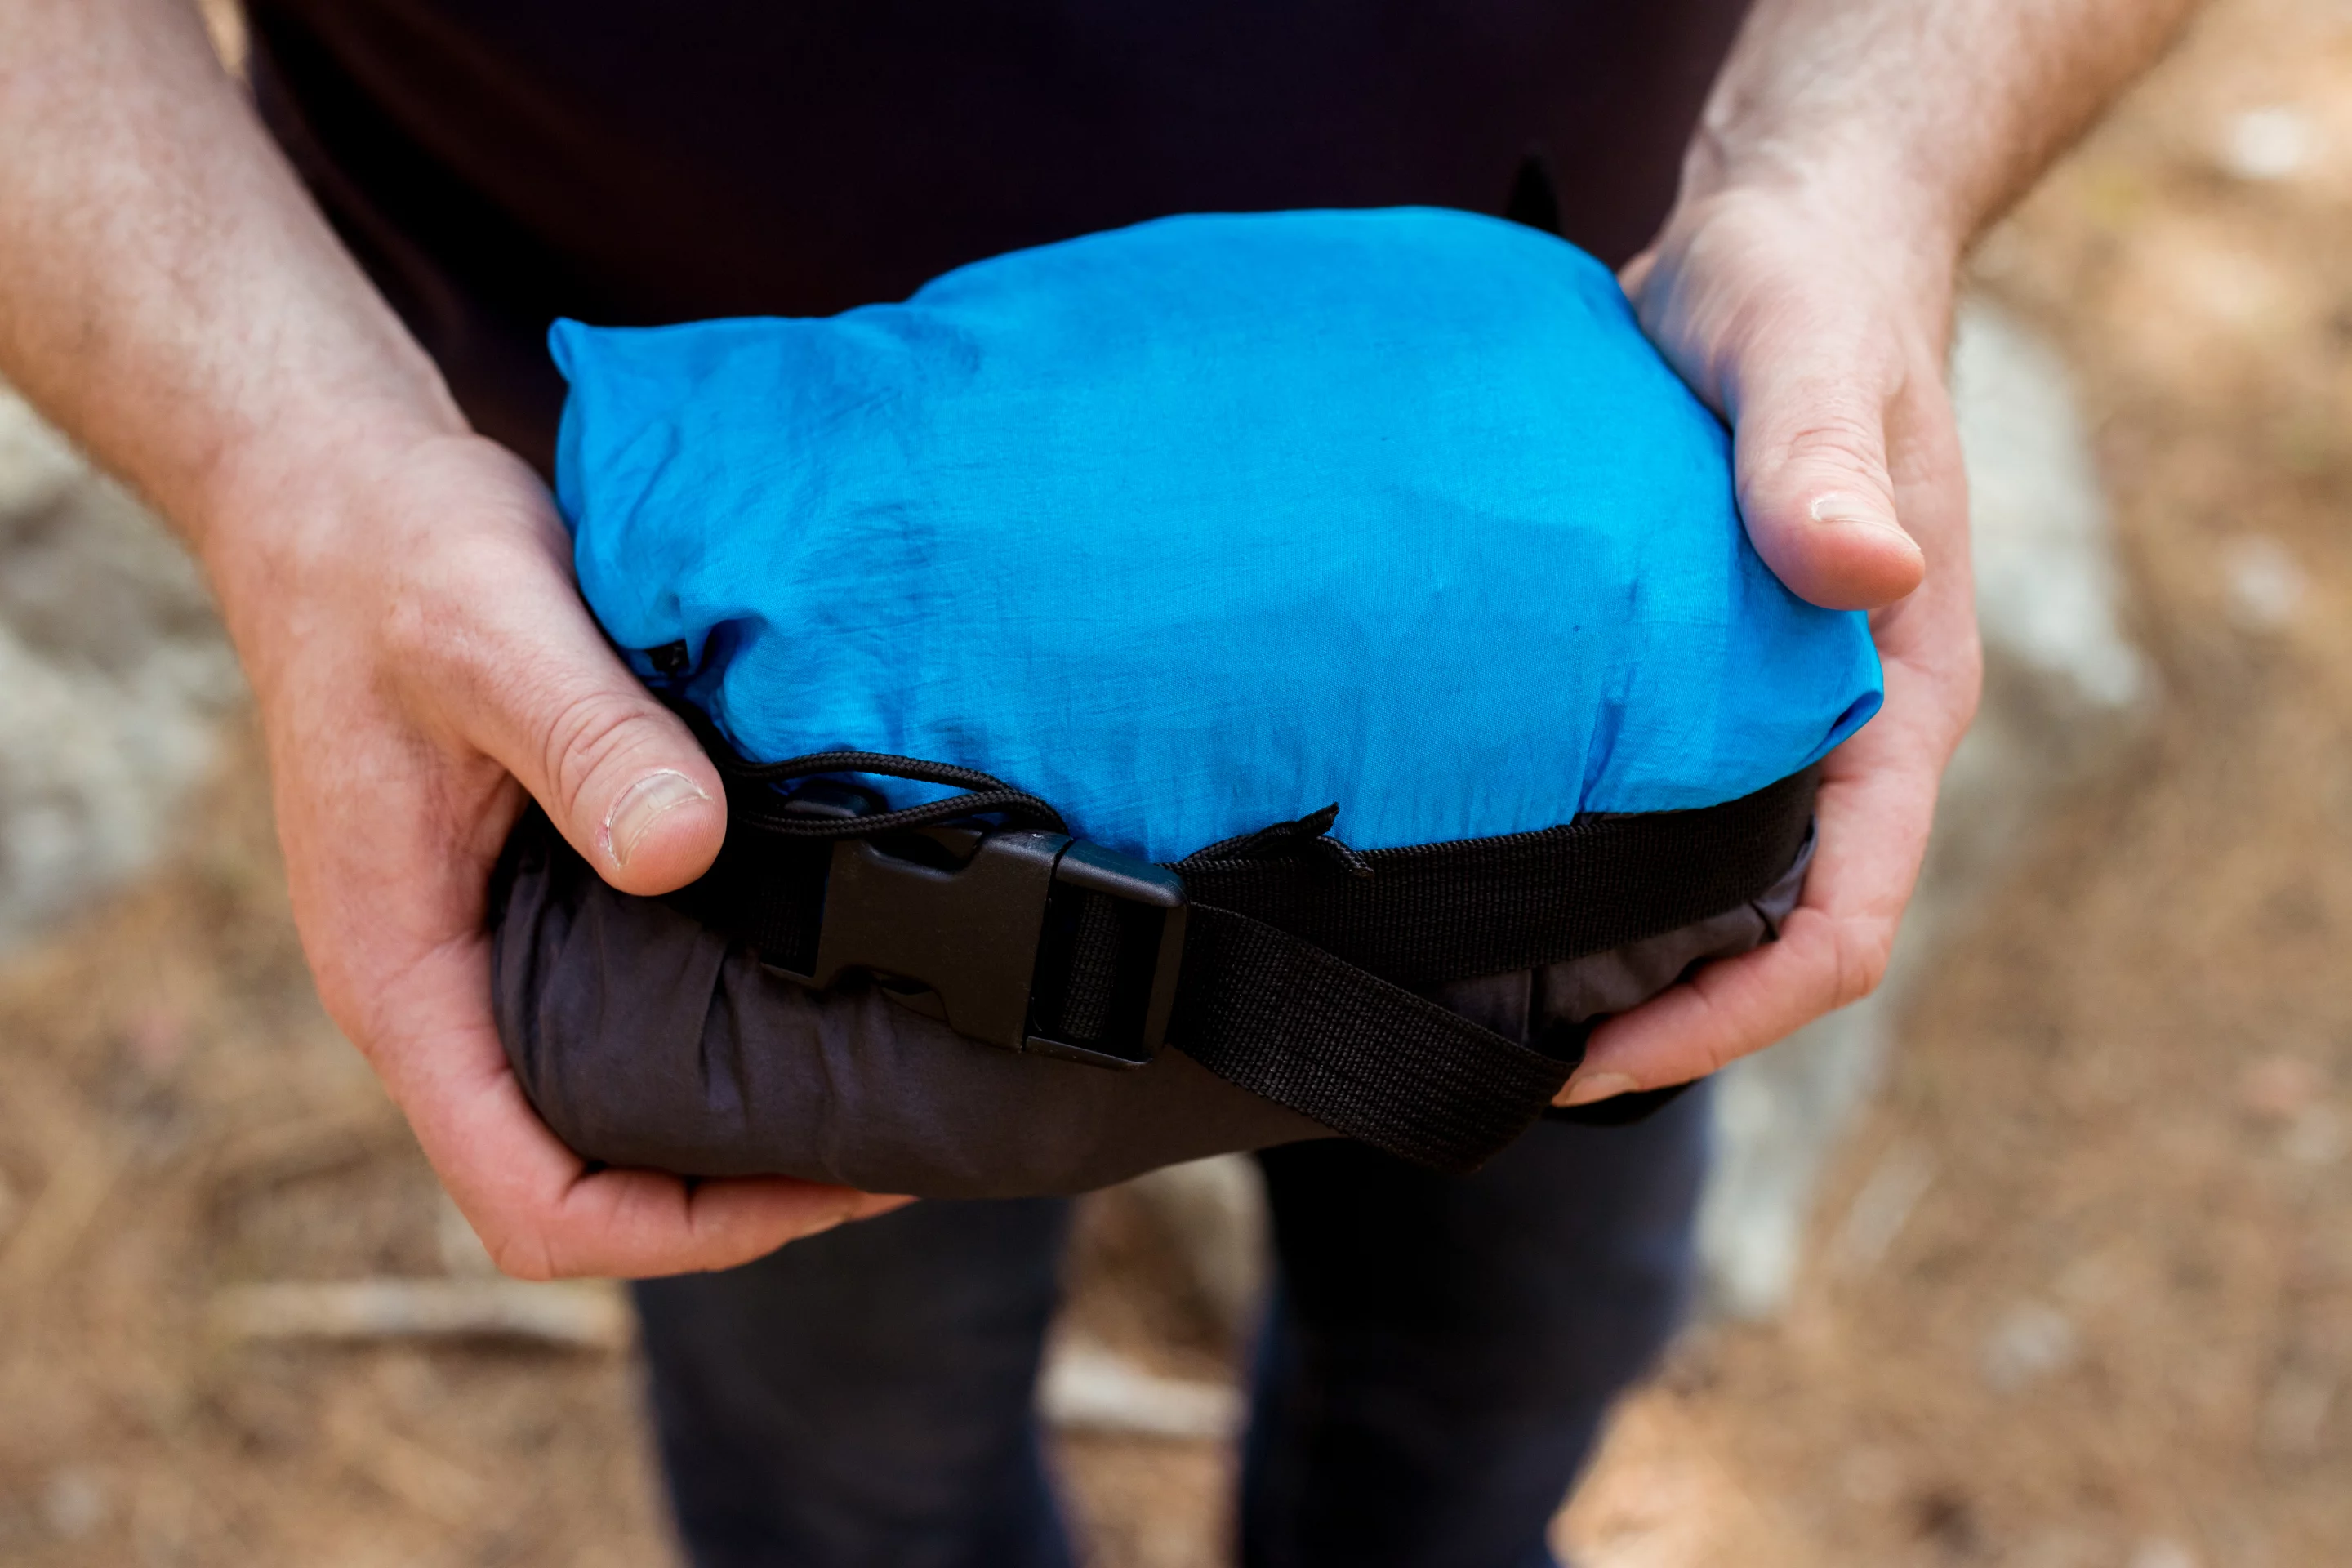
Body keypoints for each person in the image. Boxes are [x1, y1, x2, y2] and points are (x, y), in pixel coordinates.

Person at [0, 2, 2194, 1564]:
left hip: (1589, 608)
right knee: (855, 1473)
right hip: (641, 705)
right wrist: (288, 456)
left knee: (1503, 1373)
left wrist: (1853, 175)